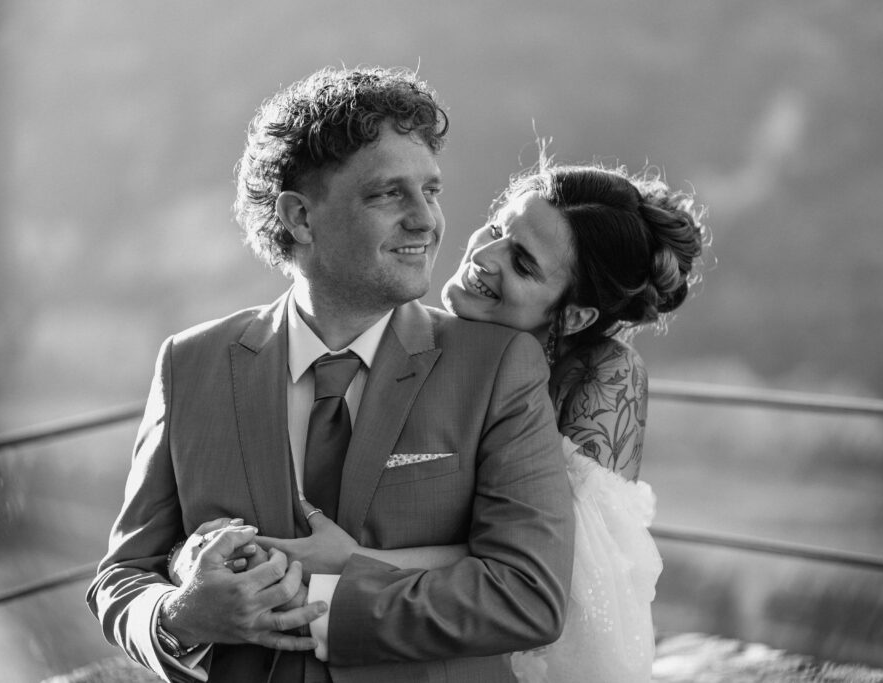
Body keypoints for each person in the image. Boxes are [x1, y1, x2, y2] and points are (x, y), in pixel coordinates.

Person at [87, 66, 575, 683]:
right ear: (300, 217)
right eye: (388, 194)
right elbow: (122, 576)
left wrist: (324, 604)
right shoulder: (190, 364)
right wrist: (179, 615)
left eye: (431, 190)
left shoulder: (498, 366)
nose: (426, 220)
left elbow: (528, 595)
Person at [188, 157, 710, 681]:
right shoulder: (419, 339)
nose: (483, 255)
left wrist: (354, 561)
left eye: (523, 263)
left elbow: (561, 568)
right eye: (497, 229)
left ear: (574, 315)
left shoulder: (604, 377)